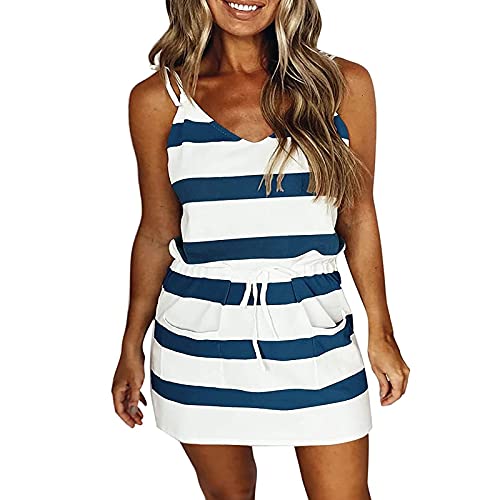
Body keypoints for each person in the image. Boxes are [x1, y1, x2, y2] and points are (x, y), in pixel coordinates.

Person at [112, 0, 410, 498]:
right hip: (198, 342)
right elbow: (157, 231)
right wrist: (130, 345)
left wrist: (381, 332)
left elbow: (359, 215)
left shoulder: (342, 85)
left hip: (315, 332)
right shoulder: (160, 98)